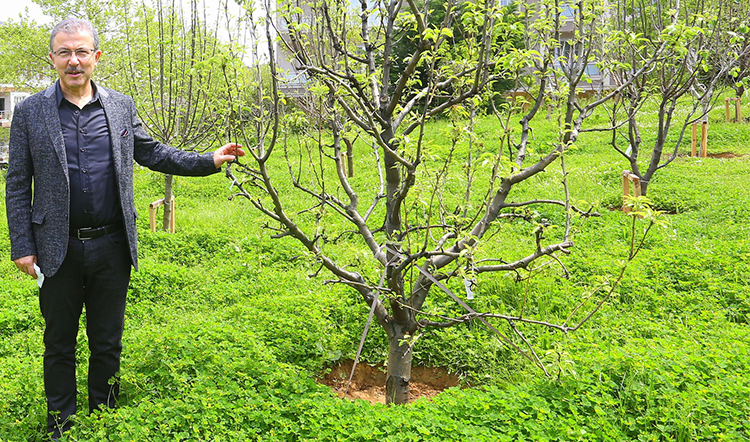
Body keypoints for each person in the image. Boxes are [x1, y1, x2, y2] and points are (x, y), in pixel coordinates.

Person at [4, 18, 244, 439]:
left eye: (82, 52)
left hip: (112, 246)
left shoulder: (119, 106)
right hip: (55, 248)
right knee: (59, 342)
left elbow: (153, 153)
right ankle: (60, 424)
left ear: (96, 56)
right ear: (52, 58)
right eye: (65, 52)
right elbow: (17, 183)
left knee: (107, 340)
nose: (73, 61)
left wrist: (208, 160)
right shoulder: (30, 112)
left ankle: (104, 418)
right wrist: (22, 245)